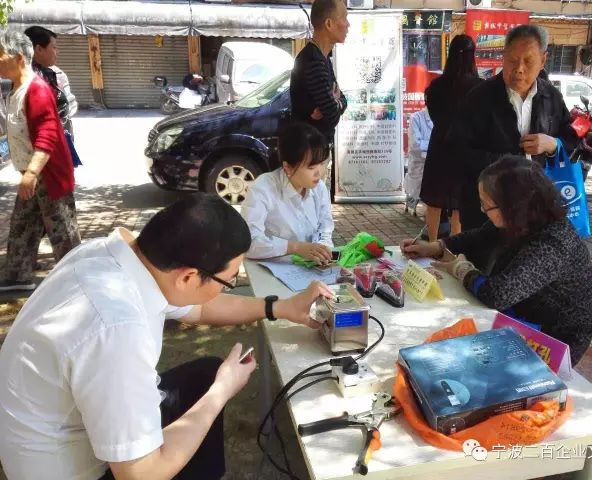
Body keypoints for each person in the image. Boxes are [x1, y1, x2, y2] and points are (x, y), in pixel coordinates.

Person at [0, 192, 332, 480]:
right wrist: (222, 391)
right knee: (210, 388)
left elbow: (199, 308)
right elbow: (141, 473)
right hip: (73, 470)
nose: (228, 287)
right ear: (188, 277)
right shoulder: (117, 330)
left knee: (203, 376)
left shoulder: (115, 256)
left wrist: (280, 307)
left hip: (64, 429)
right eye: (229, 280)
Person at [401, 155, 592, 365]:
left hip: (554, 341)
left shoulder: (553, 243)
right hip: (520, 317)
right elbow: (479, 236)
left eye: (486, 205)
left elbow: (497, 295)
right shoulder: (523, 219)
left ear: (513, 205)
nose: (482, 210)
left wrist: (462, 269)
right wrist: (437, 246)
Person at [452, 25, 579, 231]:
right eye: (512, 60)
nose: (519, 68)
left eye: (528, 61)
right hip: (486, 211)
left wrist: (553, 144)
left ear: (543, 60)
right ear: (503, 57)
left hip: (535, 209)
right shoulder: (479, 97)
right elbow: (457, 150)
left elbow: (572, 141)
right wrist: (512, 163)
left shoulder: (551, 97)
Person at [0, 30, 80, 292]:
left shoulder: (37, 90)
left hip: (48, 174)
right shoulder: (15, 88)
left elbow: (47, 136)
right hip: (32, 173)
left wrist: (31, 173)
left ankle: (79, 280)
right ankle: (16, 276)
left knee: (62, 231)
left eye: (0, 55)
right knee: (23, 225)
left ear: (18, 57)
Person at [419, 34, 483, 241]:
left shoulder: (436, 86)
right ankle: (455, 246)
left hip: (440, 144)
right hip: (466, 148)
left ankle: (431, 242)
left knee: (435, 199)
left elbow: (433, 114)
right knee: (459, 202)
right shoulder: (480, 87)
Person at [242, 122, 334, 264]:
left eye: (322, 163)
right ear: (287, 167)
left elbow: (325, 228)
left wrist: (322, 249)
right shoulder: (263, 189)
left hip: (310, 267)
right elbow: (248, 243)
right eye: (311, 167)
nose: (319, 173)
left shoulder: (319, 188)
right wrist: (294, 247)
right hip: (273, 266)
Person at [290, 0, 349, 193]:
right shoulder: (313, 61)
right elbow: (332, 114)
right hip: (308, 156)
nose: (348, 24)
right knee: (309, 205)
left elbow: (342, 100)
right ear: (329, 23)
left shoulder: (323, 58)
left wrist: (335, 102)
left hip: (316, 151)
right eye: (344, 18)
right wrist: (334, 103)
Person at [24, 26, 77, 136]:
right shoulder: (28, 79)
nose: (57, 52)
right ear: (39, 49)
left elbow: (70, 104)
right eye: (54, 47)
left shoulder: (55, 74)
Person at [405, 103, 433, 215]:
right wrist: (434, 144)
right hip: (419, 162)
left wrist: (429, 144)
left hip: (435, 161)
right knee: (417, 188)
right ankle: (412, 204)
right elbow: (416, 145)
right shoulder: (416, 118)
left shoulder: (443, 117)